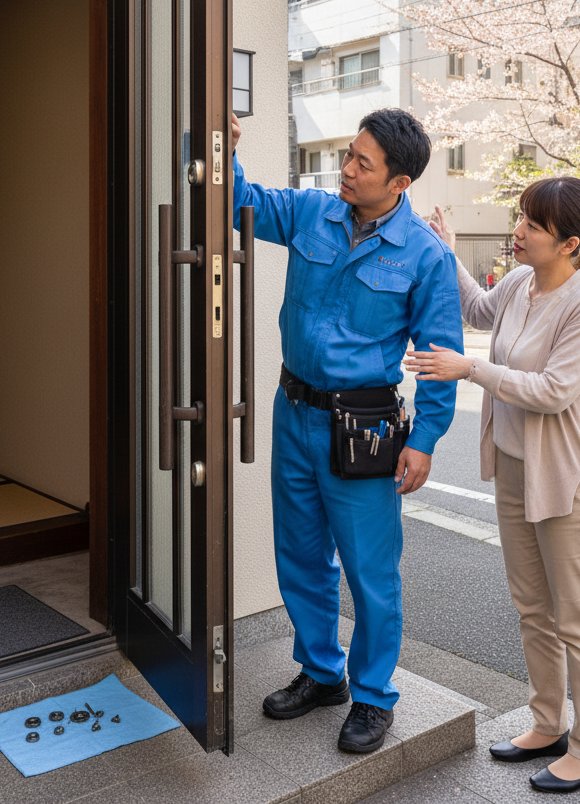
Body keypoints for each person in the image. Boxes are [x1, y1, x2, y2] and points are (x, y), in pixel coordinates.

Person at [232, 108, 462, 753]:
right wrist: (220, 144)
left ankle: (372, 696)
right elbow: (237, 203)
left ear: (400, 182)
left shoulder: (426, 255)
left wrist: (423, 441)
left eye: (363, 163)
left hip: (362, 427)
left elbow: (438, 359)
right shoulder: (313, 213)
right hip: (294, 411)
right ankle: (321, 673)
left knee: (369, 572)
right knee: (301, 555)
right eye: (350, 155)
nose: (348, 169)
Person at [405, 179, 580, 794]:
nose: (517, 231)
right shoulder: (523, 283)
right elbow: (477, 309)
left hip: (569, 480)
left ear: (570, 243)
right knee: (532, 609)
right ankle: (547, 725)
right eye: (521, 218)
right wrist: (445, 250)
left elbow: (553, 390)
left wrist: (469, 367)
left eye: (532, 225)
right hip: (518, 469)